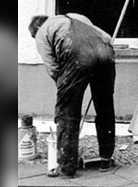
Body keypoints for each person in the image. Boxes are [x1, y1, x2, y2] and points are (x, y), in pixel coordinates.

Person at [28, 13, 116, 178]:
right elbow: (107, 37)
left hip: (77, 55)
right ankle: (106, 159)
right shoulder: (77, 17)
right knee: (105, 108)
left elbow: (53, 68)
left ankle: (67, 168)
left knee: (67, 113)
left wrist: (64, 91)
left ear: (36, 29)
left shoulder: (42, 33)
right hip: (105, 54)